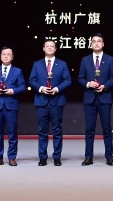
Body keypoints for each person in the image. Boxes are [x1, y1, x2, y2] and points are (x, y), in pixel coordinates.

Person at [29, 38, 71, 167]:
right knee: (42, 131)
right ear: (43, 48)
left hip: (57, 101)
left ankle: (57, 157)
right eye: (47, 46)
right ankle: (42, 157)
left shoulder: (62, 64)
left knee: (57, 130)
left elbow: (68, 80)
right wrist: (41, 88)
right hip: (41, 101)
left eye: (52, 46)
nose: (49, 48)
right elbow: (31, 80)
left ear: (55, 49)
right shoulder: (37, 64)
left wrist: (57, 89)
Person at [77, 33, 113, 166]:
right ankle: (88, 157)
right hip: (89, 99)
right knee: (89, 129)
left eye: (99, 41)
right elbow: (80, 78)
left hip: (105, 98)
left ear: (103, 44)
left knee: (107, 129)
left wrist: (104, 86)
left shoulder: (110, 59)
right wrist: (88, 84)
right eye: (94, 41)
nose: (96, 43)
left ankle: (109, 157)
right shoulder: (85, 60)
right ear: (91, 44)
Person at [0, 46, 27, 166]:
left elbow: (23, 87)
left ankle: (12, 158)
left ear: (12, 57)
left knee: (12, 134)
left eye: (8, 54)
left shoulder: (18, 71)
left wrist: (13, 91)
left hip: (11, 106)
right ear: (0, 56)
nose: (6, 56)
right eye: (4, 54)